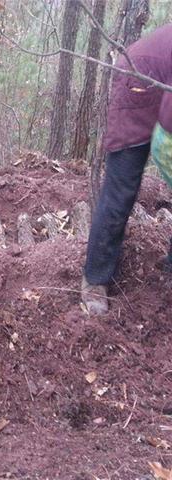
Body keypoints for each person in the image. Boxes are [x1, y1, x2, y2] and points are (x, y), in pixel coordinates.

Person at [82, 23, 172, 315]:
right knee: (122, 188)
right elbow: (169, 124)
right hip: (136, 82)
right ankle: (95, 278)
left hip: (156, 83)